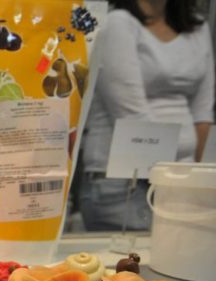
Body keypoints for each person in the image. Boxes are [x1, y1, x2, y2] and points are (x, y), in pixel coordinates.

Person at [78, 0, 214, 231]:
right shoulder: (117, 23)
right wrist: (175, 180)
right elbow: (132, 116)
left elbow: (203, 111)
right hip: (124, 185)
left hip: (180, 181)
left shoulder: (197, 27)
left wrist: (193, 177)